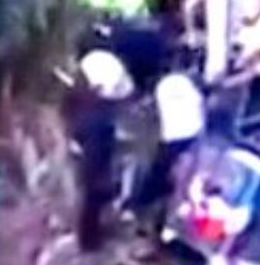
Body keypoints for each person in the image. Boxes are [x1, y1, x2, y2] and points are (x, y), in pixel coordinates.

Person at [69, 50, 132, 252]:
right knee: (91, 205)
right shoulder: (101, 121)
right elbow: (96, 151)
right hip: (94, 168)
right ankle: (89, 241)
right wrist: (96, 174)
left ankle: (89, 237)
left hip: (91, 164)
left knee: (90, 204)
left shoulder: (89, 113)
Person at [134, 71, 207, 213]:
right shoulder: (185, 83)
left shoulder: (160, 88)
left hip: (172, 134)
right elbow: (200, 105)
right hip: (192, 130)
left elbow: (150, 112)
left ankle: (146, 201)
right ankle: (173, 196)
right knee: (182, 167)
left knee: (160, 167)